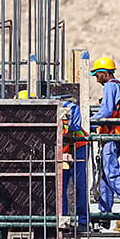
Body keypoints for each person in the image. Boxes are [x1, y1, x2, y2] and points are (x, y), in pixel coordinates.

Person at [18, 90, 89, 230]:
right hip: (61, 151)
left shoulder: (51, 108)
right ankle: (62, 220)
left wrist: (71, 129)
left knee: (79, 185)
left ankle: (83, 221)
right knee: (60, 186)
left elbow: (74, 108)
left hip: (78, 147)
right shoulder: (31, 118)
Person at [90, 57, 120, 216]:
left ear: (104, 73)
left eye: (97, 75)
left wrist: (90, 122)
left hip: (111, 136)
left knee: (110, 172)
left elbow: (107, 111)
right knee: (103, 175)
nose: (96, 79)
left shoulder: (110, 86)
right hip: (112, 136)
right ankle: (105, 211)